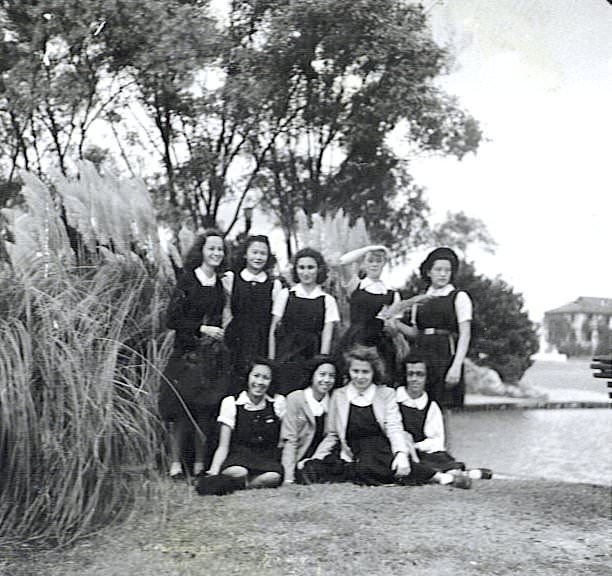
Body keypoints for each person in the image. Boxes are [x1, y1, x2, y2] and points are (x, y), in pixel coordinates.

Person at [159, 229, 231, 479]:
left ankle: (200, 464)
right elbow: (171, 319)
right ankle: (176, 465)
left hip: (212, 357)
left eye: (220, 249)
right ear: (201, 250)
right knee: (181, 411)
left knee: (205, 410)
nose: (216, 253)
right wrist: (202, 328)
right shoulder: (188, 280)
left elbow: (227, 318)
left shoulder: (222, 283)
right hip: (187, 354)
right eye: (211, 248)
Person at [308, 345, 414, 486]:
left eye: (365, 372)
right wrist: (316, 458)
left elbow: (394, 427)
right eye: (355, 371)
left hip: (380, 449)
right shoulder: (339, 395)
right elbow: (332, 434)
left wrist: (401, 454)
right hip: (351, 451)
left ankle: (437, 476)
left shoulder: (386, 394)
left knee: (369, 465)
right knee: (313, 469)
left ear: (373, 373)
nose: (360, 377)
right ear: (349, 371)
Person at [397, 354, 492, 481]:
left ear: (427, 377)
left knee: (442, 464)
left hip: (421, 450)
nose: (414, 379)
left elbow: (436, 441)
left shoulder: (430, 405)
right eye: (410, 374)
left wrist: (415, 446)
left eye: (420, 375)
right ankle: (470, 474)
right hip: (398, 448)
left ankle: (463, 474)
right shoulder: (394, 398)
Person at [399, 247, 472, 408]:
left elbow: (465, 335)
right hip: (422, 357)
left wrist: (456, 366)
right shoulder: (422, 298)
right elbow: (415, 333)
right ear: (428, 272)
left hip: (444, 356)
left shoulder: (458, 297)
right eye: (438, 269)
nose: (443, 274)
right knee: (419, 407)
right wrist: (395, 324)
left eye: (447, 270)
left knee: (442, 410)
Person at [269, 248, 340, 395]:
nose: (306, 272)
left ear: (319, 270)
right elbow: (273, 331)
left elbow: (327, 336)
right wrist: (271, 362)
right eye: (301, 267)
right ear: (295, 270)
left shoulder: (327, 300)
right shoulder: (285, 295)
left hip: (312, 356)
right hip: (286, 355)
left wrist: (321, 365)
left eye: (310, 267)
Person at [206, 358, 286, 489]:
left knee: (273, 477)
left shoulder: (277, 402)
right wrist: (213, 472)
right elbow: (223, 445)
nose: (259, 382)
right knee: (239, 472)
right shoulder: (232, 402)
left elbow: (283, 441)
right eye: (256, 376)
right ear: (247, 377)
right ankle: (242, 481)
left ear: (271, 381)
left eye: (265, 378)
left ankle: (246, 485)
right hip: (239, 457)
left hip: (266, 459)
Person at [337, 245, 403, 385]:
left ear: (384, 263)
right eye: (370, 260)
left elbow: (394, 328)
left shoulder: (392, 294)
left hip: (381, 344)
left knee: (381, 381)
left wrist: (387, 323)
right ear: (363, 263)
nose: (374, 264)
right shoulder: (356, 285)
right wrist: (369, 248)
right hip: (354, 340)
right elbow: (343, 261)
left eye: (378, 261)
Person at [224, 235, 283, 388]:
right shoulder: (231, 279)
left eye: (263, 253)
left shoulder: (274, 285)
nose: (258, 257)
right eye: (254, 252)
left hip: (261, 339)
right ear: (245, 254)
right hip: (236, 338)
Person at [281, 355, 339, 484]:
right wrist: (288, 478)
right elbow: (290, 439)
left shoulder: (334, 400)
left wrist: (314, 460)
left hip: (320, 456)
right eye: (322, 374)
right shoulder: (295, 399)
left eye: (331, 376)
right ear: (312, 375)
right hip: (297, 455)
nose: (327, 380)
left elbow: (331, 436)